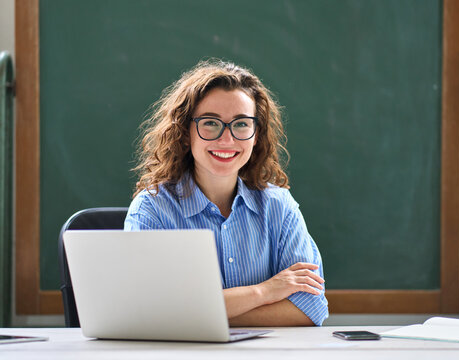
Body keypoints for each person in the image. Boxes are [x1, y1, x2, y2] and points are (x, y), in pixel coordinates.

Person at [124, 59, 328, 326]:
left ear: (256, 135)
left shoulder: (280, 207)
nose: (227, 140)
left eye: (242, 124)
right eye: (210, 123)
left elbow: (309, 309)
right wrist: (264, 291)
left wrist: (199, 313)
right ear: (185, 133)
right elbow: (151, 311)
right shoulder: (151, 210)